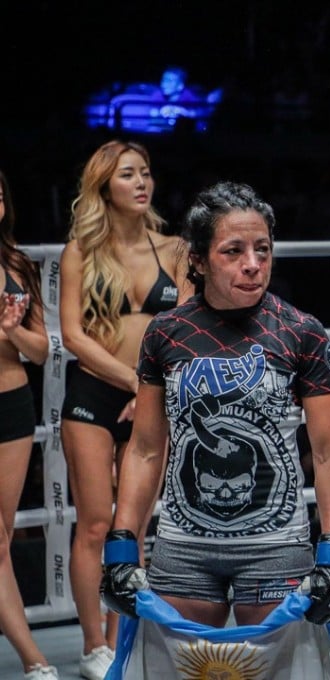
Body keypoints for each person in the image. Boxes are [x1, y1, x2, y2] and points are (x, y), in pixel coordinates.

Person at [99, 181, 330, 641]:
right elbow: (143, 449)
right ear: (198, 260)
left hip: (276, 544)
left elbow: (329, 451)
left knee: (278, 673)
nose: (253, 265)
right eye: (233, 251)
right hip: (184, 545)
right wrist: (122, 545)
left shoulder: (302, 332)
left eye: (262, 249)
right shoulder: (166, 333)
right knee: (185, 671)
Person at [58, 139, 192, 680]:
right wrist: (132, 382)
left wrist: (148, 390)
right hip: (95, 391)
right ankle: (93, 644)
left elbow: (181, 326)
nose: (141, 183)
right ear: (104, 188)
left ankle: (120, 638)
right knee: (93, 524)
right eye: (127, 175)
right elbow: (72, 334)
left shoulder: (176, 249)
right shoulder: (80, 253)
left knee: (130, 526)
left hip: (151, 397)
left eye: (146, 173)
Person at [0, 169, 58, 678]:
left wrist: (13, 332)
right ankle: (33, 657)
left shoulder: (15, 262)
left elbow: (41, 350)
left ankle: (32, 659)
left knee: (1, 539)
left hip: (14, 404)